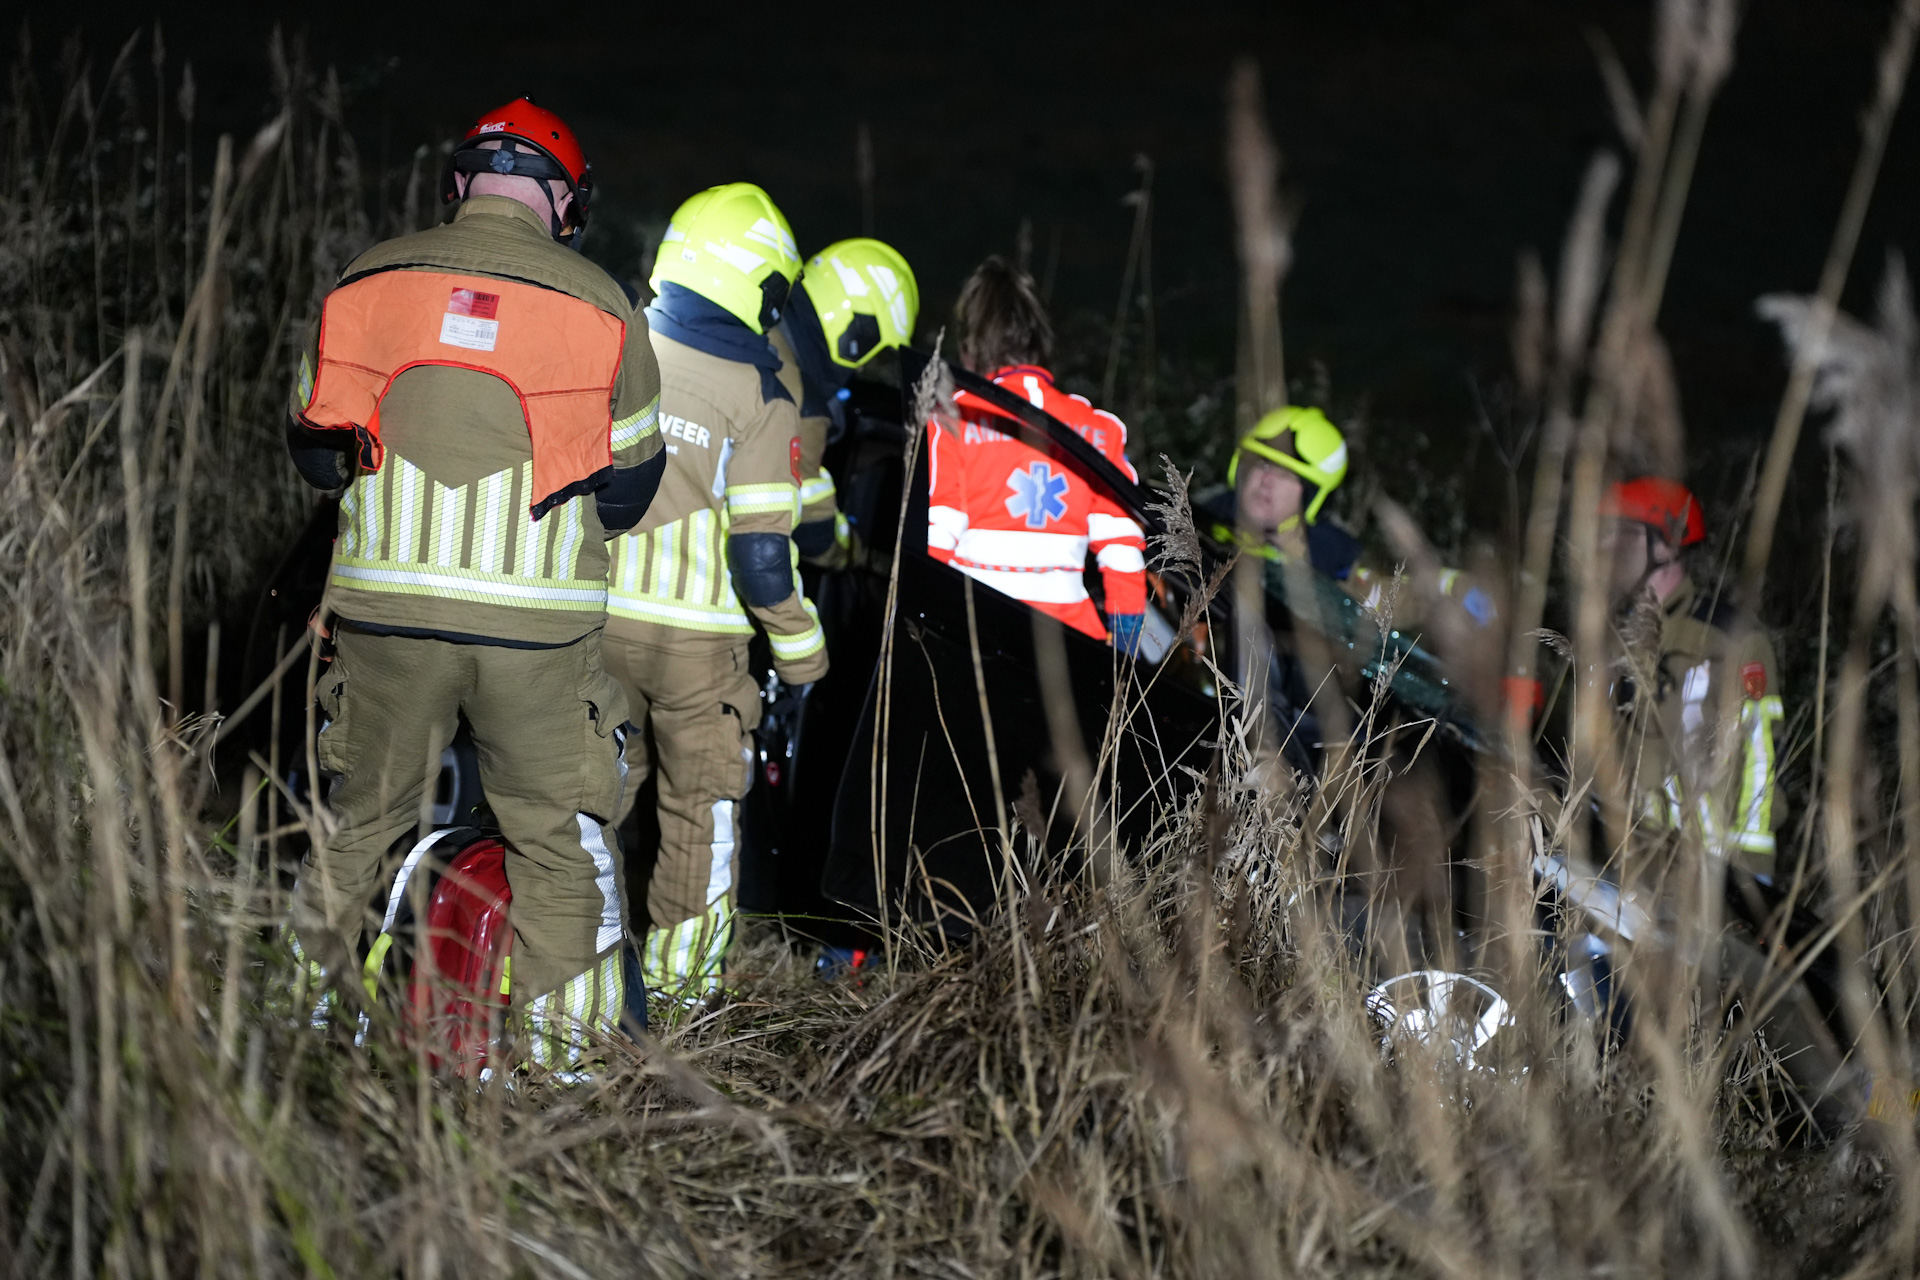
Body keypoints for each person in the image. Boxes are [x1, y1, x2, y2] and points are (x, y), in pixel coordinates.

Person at [283, 97, 665, 1064]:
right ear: (567, 202)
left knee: (357, 828)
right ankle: (564, 1073)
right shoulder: (604, 304)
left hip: (384, 615)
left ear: (458, 183)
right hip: (537, 633)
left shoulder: (367, 277)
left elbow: (317, 454)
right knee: (556, 845)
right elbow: (629, 490)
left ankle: (295, 1042)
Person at [602, 182, 829, 1000]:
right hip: (700, 652)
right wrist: (804, 657)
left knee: (586, 804)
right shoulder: (761, 394)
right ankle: (679, 1001)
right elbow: (763, 560)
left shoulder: (618, 349)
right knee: (700, 820)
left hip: (595, 626)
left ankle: (571, 985)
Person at [925, 255, 1147, 650]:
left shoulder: (953, 419)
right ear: (1040, 339)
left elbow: (937, 537)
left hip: (976, 636)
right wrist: (1125, 649)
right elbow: (1122, 548)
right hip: (1070, 645)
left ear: (971, 344)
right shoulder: (1098, 429)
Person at [1603, 477, 1785, 879]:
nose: (1608, 547)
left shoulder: (1728, 640)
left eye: (1627, 534)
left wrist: (1747, 882)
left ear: (1668, 546)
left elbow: (1758, 763)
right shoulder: (1611, 639)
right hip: (1630, 867)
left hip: (1710, 875)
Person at [768, 238, 920, 568]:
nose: (861, 368)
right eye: (870, 353)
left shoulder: (755, 329)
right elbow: (816, 535)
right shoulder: (804, 407)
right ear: (857, 333)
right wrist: (859, 554)